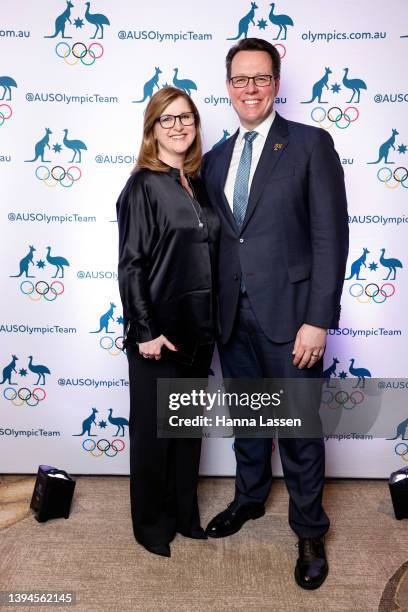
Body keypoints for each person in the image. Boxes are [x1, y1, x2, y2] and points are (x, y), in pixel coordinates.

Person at [201, 38, 348, 589]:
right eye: (240, 80)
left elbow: (330, 237)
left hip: (292, 318)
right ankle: (249, 499)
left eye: (260, 78)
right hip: (232, 319)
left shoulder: (310, 145)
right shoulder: (215, 159)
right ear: (228, 86)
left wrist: (318, 318)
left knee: (300, 431)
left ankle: (310, 530)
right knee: (249, 424)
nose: (250, 89)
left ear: (276, 83)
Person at [116, 87, 220, 558]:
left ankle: (184, 515)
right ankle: (151, 525)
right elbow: (132, 264)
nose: (179, 126)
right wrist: (144, 331)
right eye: (168, 119)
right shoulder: (143, 185)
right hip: (158, 333)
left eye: (186, 118)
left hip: (199, 332)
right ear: (152, 128)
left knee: (185, 433)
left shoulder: (196, 183)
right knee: (155, 437)